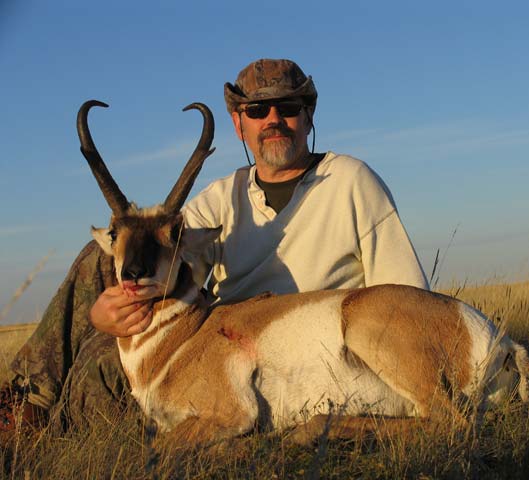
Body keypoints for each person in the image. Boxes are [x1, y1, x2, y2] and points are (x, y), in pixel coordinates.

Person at [0, 59, 428, 431]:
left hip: (301, 351)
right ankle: (24, 403)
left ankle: (61, 418)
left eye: (290, 107)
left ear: (309, 115)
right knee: (109, 250)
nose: (274, 119)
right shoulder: (223, 197)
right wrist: (101, 316)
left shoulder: (352, 182)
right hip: (218, 346)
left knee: (102, 366)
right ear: (240, 125)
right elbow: (163, 250)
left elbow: (406, 298)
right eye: (258, 110)